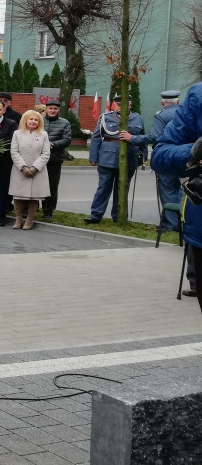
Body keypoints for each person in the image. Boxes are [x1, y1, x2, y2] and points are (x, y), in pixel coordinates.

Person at [150, 83, 202, 311]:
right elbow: (160, 153)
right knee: (171, 195)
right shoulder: (198, 96)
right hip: (200, 224)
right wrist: (193, 152)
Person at [123, 90, 181, 232]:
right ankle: (185, 222)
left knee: (168, 190)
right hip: (186, 155)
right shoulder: (185, 113)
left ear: (162, 102)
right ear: (178, 101)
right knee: (184, 190)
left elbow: (155, 136)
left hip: (168, 156)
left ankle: (172, 225)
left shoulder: (161, 116)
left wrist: (133, 138)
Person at [85, 94, 144, 224]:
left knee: (122, 188)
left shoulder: (138, 118)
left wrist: (142, 157)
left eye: (124, 104)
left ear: (130, 105)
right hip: (107, 157)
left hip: (129, 158)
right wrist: (94, 157)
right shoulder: (106, 118)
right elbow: (96, 137)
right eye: (118, 104)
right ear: (114, 105)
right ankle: (96, 215)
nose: (121, 106)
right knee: (103, 187)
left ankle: (119, 216)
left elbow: (142, 140)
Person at [9, 110, 51, 230]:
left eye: (36, 119)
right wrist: (22, 167)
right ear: (25, 121)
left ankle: (30, 220)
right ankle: (18, 219)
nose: (33, 121)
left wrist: (35, 168)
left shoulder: (44, 134)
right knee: (18, 196)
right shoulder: (17, 134)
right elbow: (14, 152)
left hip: (38, 171)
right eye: (30, 119)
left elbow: (46, 154)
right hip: (20, 170)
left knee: (34, 197)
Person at [42, 98, 72, 220]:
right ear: (46, 109)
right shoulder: (39, 120)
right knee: (35, 184)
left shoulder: (64, 123)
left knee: (51, 186)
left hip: (54, 158)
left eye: (55, 108)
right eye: (50, 108)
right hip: (38, 158)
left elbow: (67, 139)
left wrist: (53, 144)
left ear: (58, 109)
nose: (53, 110)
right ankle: (31, 207)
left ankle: (48, 211)